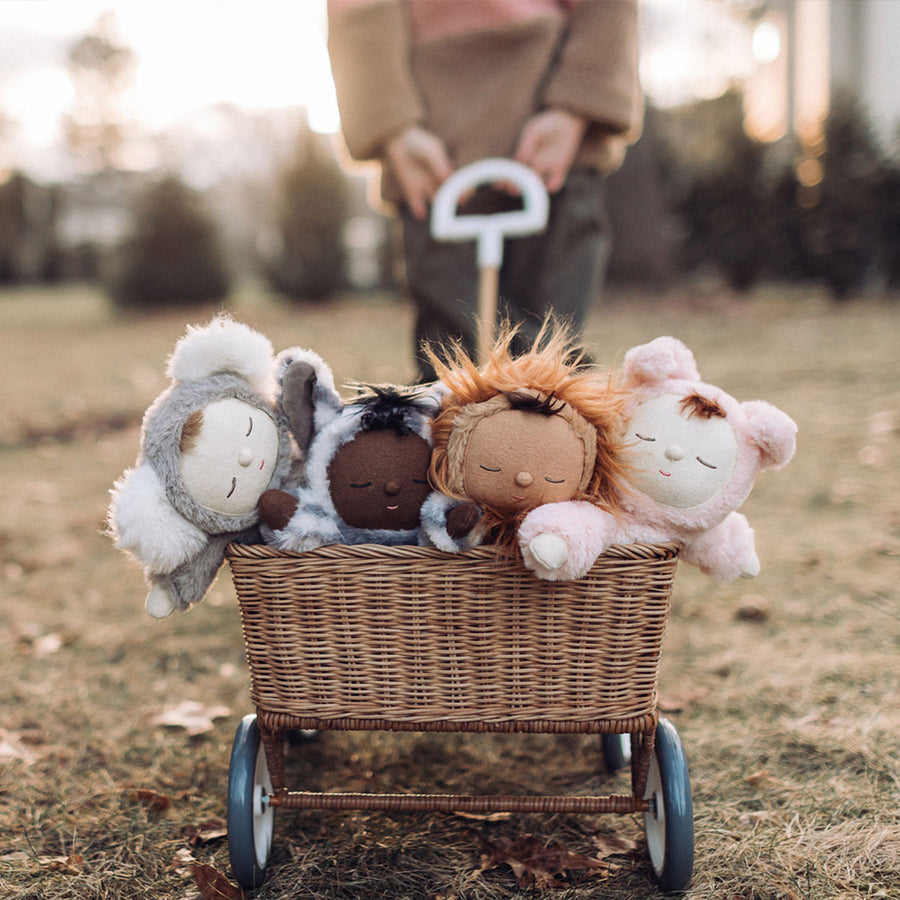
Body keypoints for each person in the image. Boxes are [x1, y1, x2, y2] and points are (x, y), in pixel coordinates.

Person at [327, 0, 642, 381]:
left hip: (556, 136)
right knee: (449, 357)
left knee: (547, 357)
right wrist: (391, 124)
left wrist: (576, 105)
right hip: (429, 152)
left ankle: (553, 427)